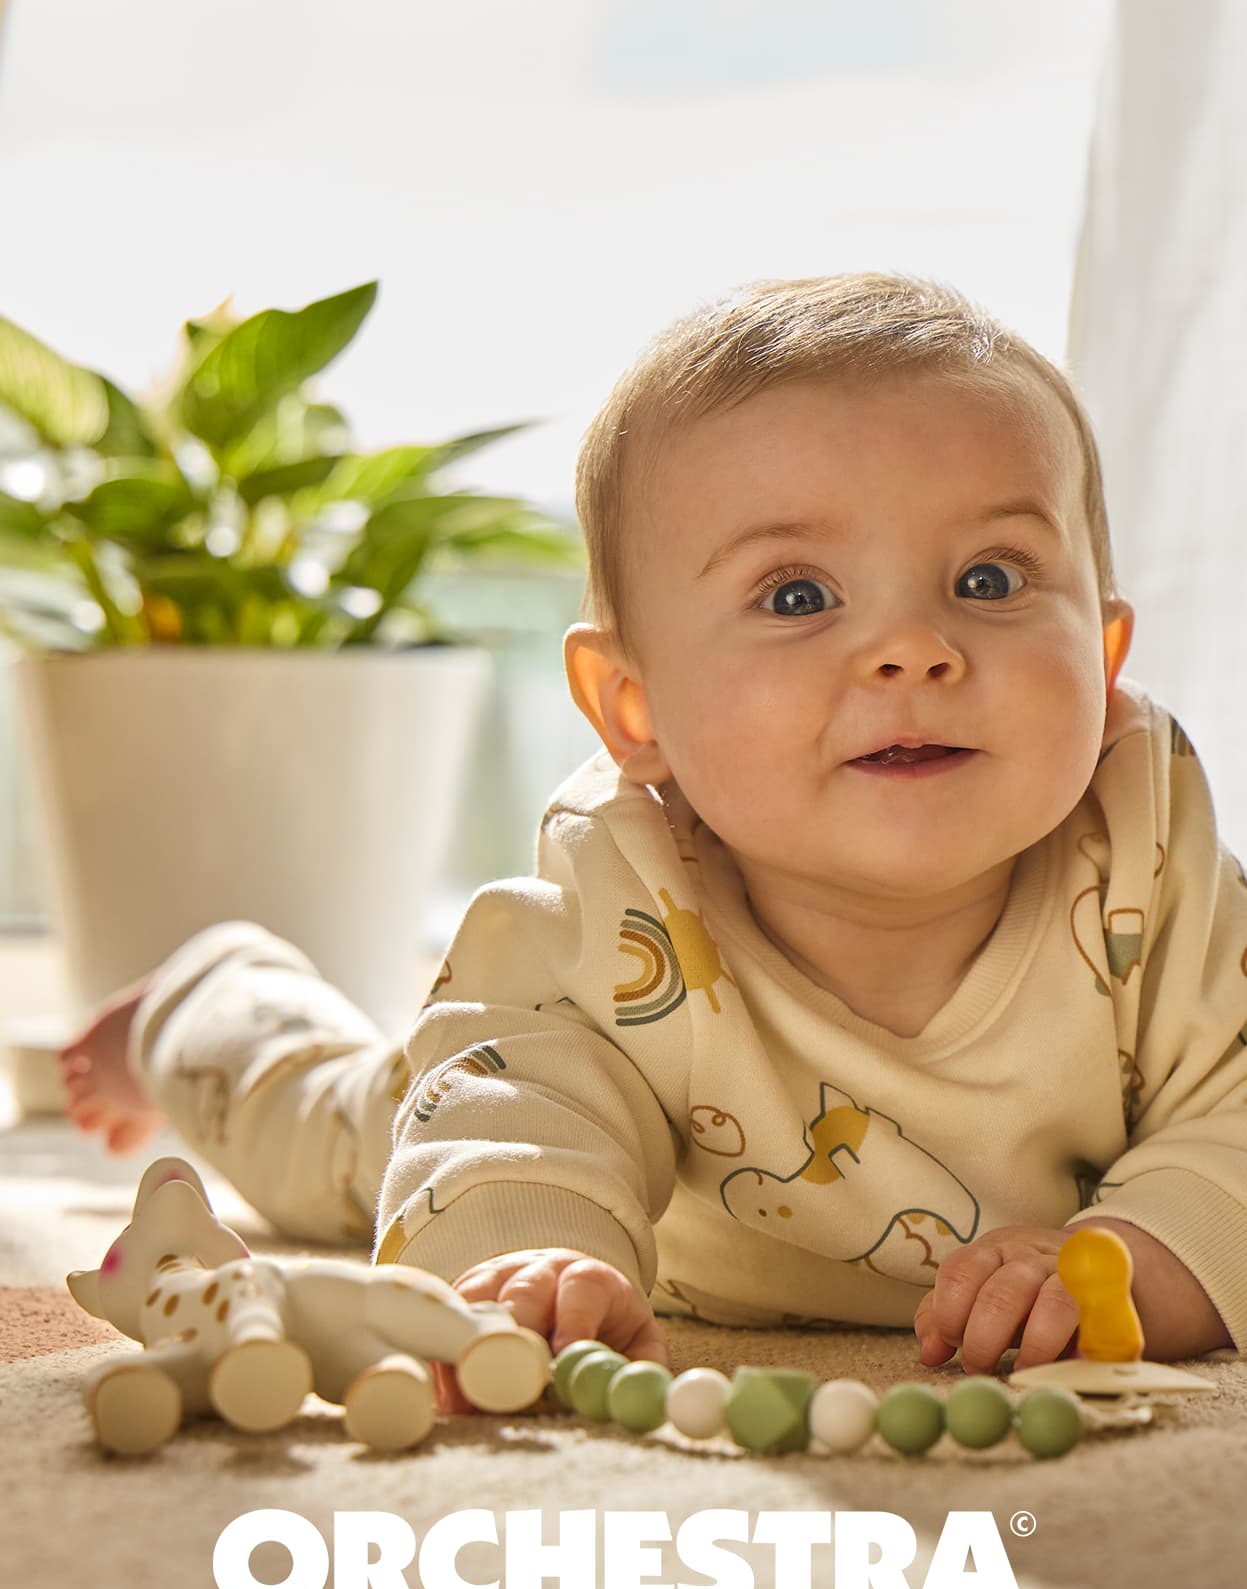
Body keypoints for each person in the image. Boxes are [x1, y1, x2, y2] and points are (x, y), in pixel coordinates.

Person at [61, 273, 1241, 1413]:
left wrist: (1126, 1265)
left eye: (988, 578)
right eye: (796, 597)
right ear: (632, 710)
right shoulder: (613, 900)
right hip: (562, 1146)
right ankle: (212, 1004)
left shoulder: (1150, 865)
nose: (912, 650)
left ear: (1100, 654)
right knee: (324, 1135)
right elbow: (515, 1108)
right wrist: (528, 1264)